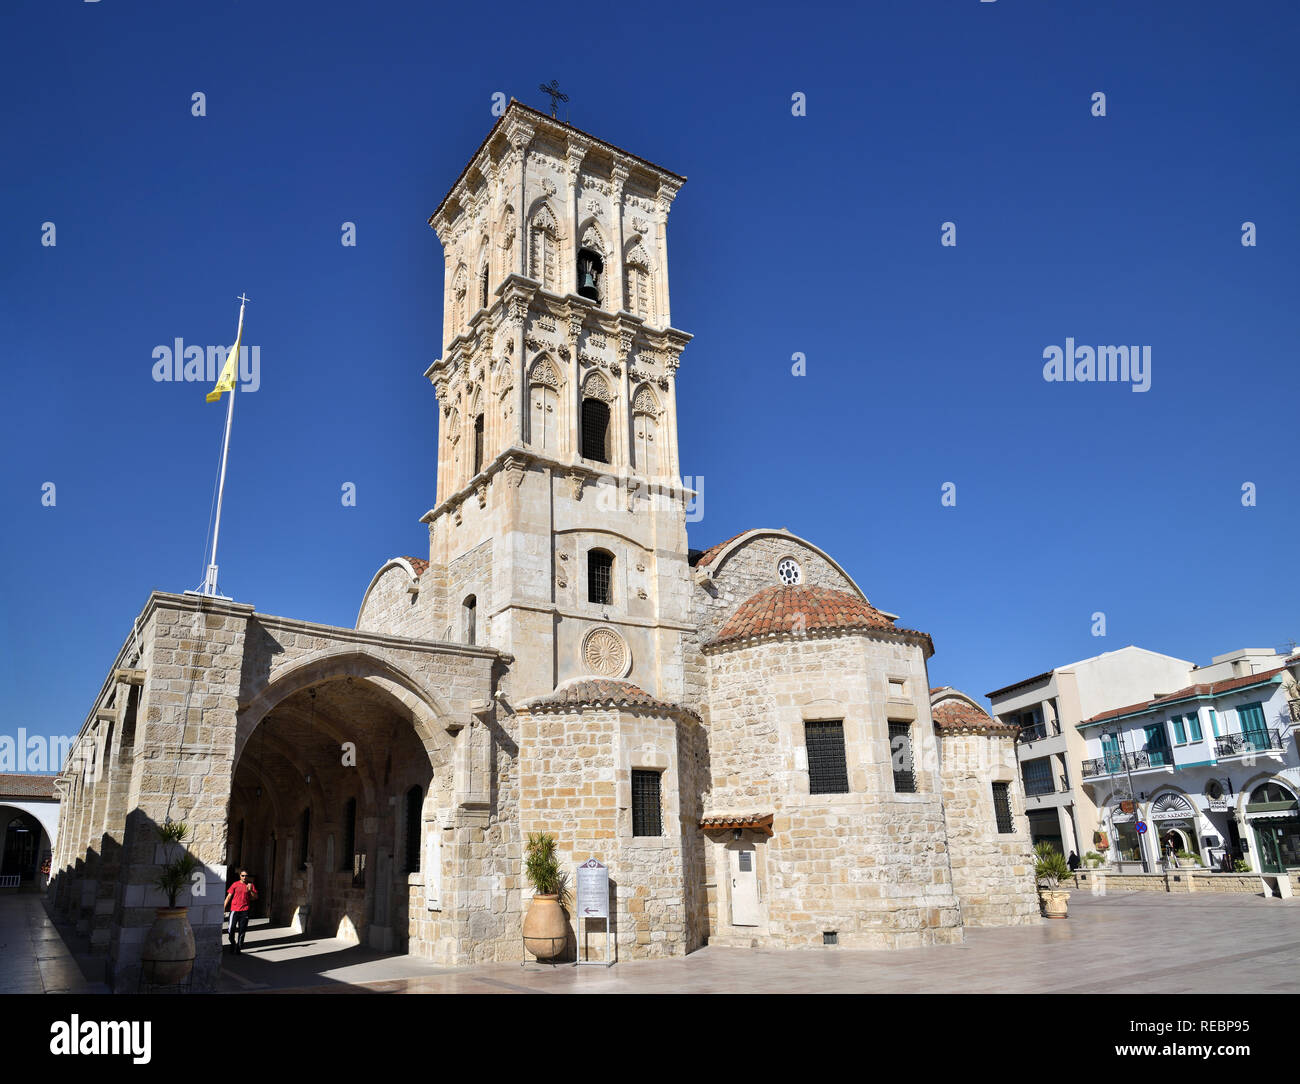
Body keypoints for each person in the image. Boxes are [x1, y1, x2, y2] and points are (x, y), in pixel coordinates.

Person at [223, 869, 258, 953]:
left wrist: (250, 890)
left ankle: (238, 947)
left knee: (242, 930)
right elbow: (228, 897)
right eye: (242, 875)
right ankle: (232, 943)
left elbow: (255, 897)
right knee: (231, 929)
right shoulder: (235, 884)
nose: (244, 877)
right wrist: (223, 908)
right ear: (240, 876)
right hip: (234, 910)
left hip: (244, 910)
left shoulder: (250, 885)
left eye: (246, 876)